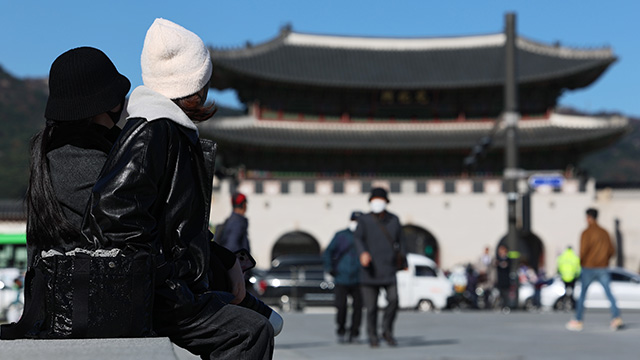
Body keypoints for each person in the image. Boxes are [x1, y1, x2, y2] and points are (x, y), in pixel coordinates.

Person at [82, 19, 274, 359]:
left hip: (172, 287)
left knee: (265, 320)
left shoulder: (166, 128)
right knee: (249, 333)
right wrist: (168, 281)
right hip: (160, 295)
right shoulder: (154, 131)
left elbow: (178, 224)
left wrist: (224, 261)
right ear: (199, 81)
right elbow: (112, 215)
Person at [354, 187, 406, 348]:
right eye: (374, 200)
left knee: (394, 300)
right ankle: (373, 336)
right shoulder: (364, 220)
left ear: (386, 202)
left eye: (380, 200)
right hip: (369, 270)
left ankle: (387, 330)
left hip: (389, 269)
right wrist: (363, 253)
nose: (377, 203)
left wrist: (404, 262)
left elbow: (401, 242)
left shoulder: (394, 220)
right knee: (371, 308)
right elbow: (357, 239)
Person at [566, 208, 623, 331]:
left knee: (582, 295)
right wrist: (604, 259)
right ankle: (616, 318)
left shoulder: (586, 233)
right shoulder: (605, 232)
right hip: (603, 267)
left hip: (588, 267)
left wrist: (582, 262)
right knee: (609, 293)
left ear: (588, 217)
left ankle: (578, 320)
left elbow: (583, 250)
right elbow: (612, 250)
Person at [323, 211, 363, 344]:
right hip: (341, 277)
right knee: (341, 306)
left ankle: (355, 332)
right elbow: (328, 251)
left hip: (359, 278)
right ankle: (341, 329)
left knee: (358, 307)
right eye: (354, 220)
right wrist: (329, 268)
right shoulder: (341, 236)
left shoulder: (365, 236)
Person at [557, 245, 581, 309]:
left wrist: (560, 274)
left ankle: (563, 303)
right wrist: (578, 276)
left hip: (564, 277)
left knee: (565, 291)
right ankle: (573, 304)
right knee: (572, 292)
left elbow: (558, 267)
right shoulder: (575, 257)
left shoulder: (562, 256)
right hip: (572, 277)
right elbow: (578, 268)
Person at [495, 244, 511, 310]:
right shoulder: (497, 258)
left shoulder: (508, 259)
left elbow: (506, 265)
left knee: (506, 293)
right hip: (499, 279)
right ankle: (500, 305)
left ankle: (505, 306)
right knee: (500, 293)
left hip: (506, 279)